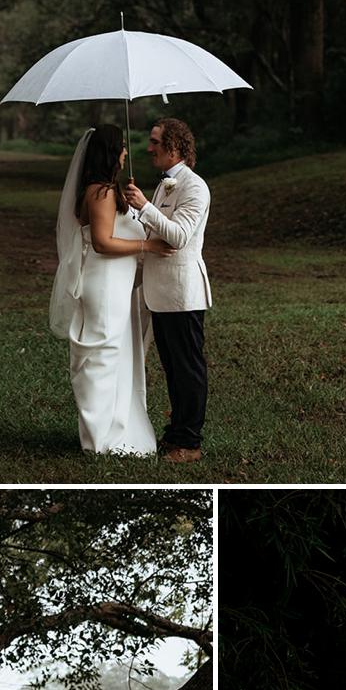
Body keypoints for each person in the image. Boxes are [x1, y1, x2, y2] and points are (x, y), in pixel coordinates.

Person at [50, 123, 171, 455]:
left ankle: (118, 426)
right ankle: (100, 439)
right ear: (110, 152)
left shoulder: (107, 191)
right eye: (122, 146)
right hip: (103, 283)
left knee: (117, 354)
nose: (126, 152)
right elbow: (103, 243)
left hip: (115, 284)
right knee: (102, 354)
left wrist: (133, 204)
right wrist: (147, 246)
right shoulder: (100, 193)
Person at [120, 117, 211, 460]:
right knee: (172, 369)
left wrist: (145, 207)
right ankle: (175, 435)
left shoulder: (195, 187)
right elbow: (155, 233)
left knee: (188, 369)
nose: (149, 147)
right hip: (160, 294)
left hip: (182, 293)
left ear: (175, 145)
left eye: (156, 141)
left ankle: (189, 442)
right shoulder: (164, 185)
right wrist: (136, 213)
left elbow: (179, 236)